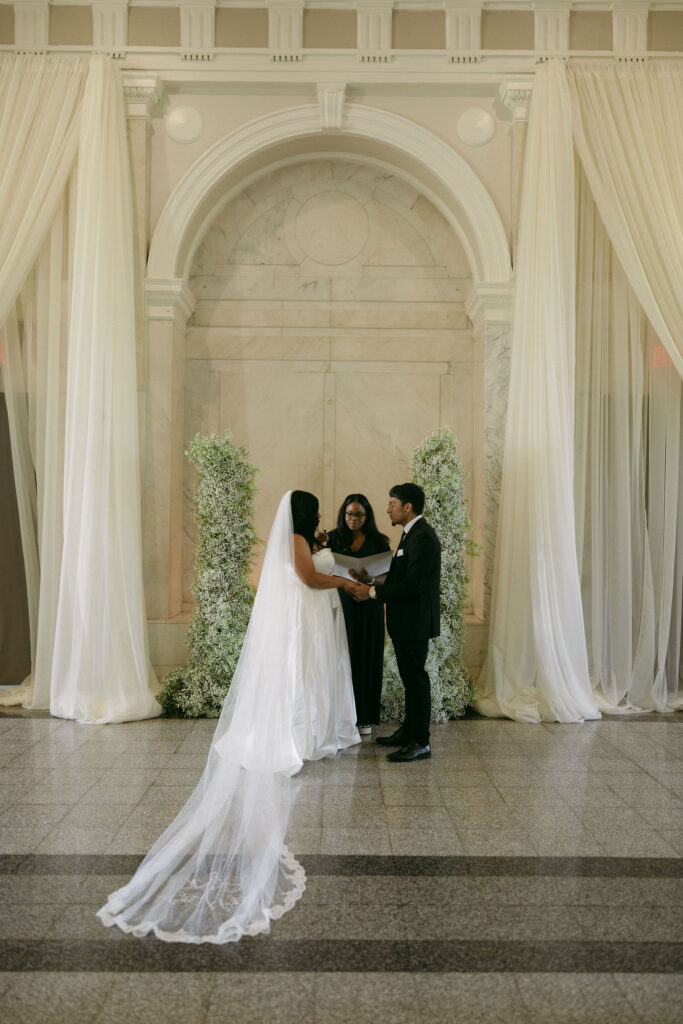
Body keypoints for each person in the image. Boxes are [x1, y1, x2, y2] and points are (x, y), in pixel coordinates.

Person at [97, 491, 359, 944]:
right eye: (315, 508)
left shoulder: (306, 536)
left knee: (311, 681)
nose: (321, 514)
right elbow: (306, 578)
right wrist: (344, 583)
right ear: (302, 512)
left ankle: (316, 730)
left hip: (315, 620)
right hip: (305, 618)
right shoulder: (297, 538)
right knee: (299, 683)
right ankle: (298, 735)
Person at [347, 483, 440, 763]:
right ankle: (409, 731)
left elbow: (413, 587)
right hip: (405, 623)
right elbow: (400, 577)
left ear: (407, 507)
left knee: (416, 681)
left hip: (415, 623)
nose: (387, 508)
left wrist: (372, 593)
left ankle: (421, 742)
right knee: (410, 680)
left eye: (392, 503)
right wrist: (371, 579)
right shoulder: (410, 535)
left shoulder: (422, 537)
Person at [323, 494, 391, 734]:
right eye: (349, 514)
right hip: (341, 604)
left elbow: (387, 576)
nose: (353, 519)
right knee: (342, 657)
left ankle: (365, 718)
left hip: (369, 606)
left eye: (358, 514)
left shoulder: (378, 541)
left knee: (367, 659)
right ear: (344, 514)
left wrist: (370, 579)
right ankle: (340, 715)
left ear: (367, 516)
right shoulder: (331, 538)